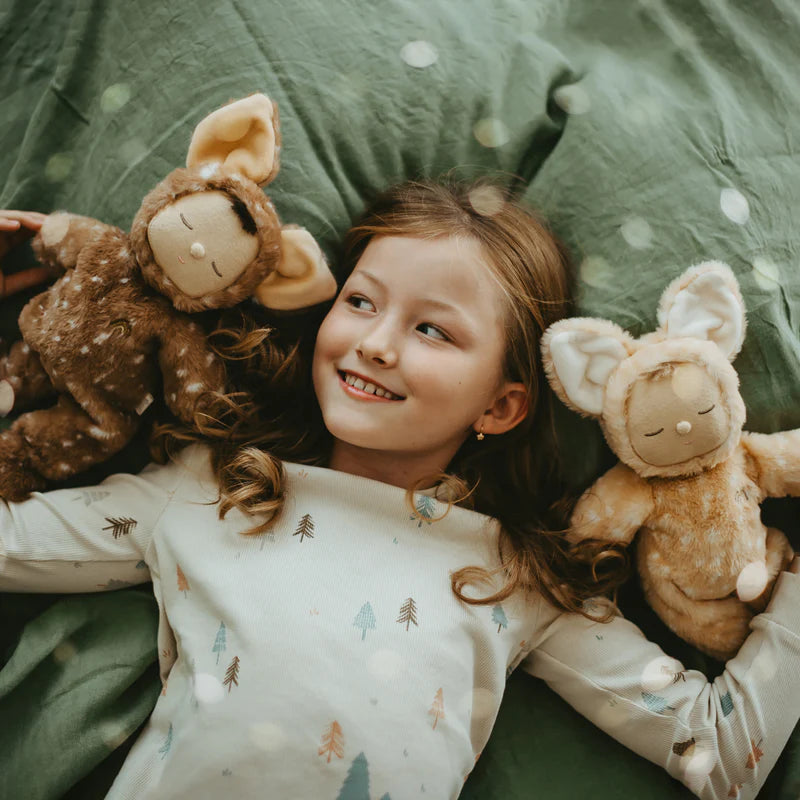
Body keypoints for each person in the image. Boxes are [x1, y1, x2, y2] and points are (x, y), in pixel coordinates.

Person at [0, 181, 798, 800]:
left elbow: (724, 753)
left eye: (432, 330)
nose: (375, 343)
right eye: (360, 301)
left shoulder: (514, 576)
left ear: (501, 404)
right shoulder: (215, 490)